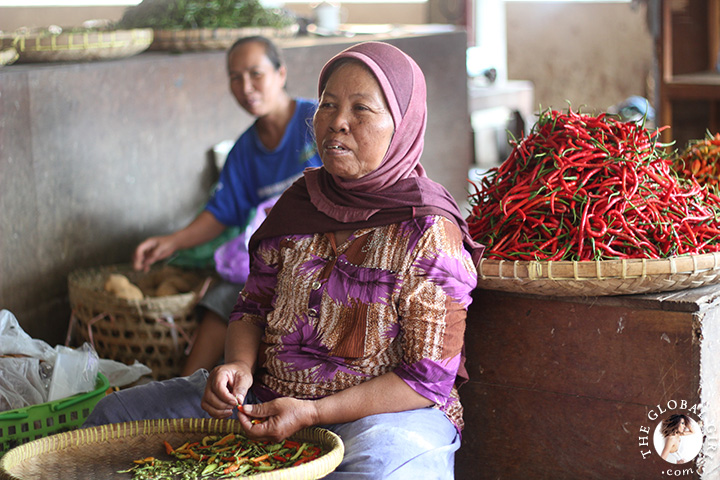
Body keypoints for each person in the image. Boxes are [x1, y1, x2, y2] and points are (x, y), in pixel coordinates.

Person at [84, 41, 484, 479]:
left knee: (376, 472)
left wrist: (312, 413)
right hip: (266, 400)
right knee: (113, 419)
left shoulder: (427, 229)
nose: (337, 123)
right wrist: (238, 365)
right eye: (328, 104)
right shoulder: (300, 204)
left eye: (361, 110)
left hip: (381, 417)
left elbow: (426, 379)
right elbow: (252, 307)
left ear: (403, 124)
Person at [131, 35, 321, 377]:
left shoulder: (316, 122)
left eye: (255, 73)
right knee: (226, 295)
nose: (246, 87)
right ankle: (186, 390)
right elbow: (222, 212)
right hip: (276, 260)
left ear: (280, 74)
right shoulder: (245, 151)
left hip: (324, 254)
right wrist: (171, 242)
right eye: (235, 77)